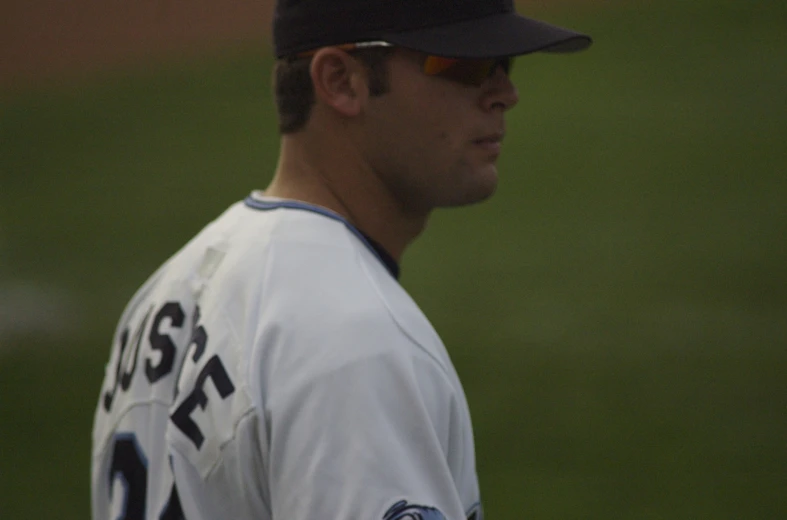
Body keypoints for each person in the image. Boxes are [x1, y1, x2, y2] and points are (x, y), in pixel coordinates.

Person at [90, 0, 592, 519]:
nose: (505, 94)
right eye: (463, 63)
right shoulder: (356, 340)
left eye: (505, 64)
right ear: (340, 81)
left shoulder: (164, 293)